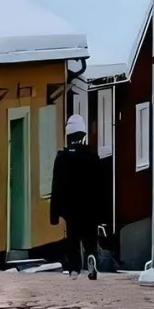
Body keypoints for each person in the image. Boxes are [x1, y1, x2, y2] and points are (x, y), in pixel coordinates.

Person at [49, 114, 110, 279]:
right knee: (90, 237)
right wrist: (103, 212)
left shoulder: (61, 158)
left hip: (70, 208)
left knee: (73, 238)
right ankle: (91, 256)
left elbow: (56, 187)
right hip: (90, 207)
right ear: (83, 135)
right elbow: (101, 186)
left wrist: (54, 213)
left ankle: (75, 268)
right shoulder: (92, 157)